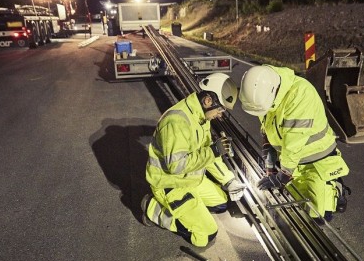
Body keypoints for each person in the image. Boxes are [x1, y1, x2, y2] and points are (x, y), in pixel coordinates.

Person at [141, 73, 247, 247]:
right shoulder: (176, 121)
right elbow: (175, 166)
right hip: (171, 184)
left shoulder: (201, 118)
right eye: (220, 109)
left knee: (222, 202)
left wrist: (229, 181)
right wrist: (213, 150)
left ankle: (190, 207)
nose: (220, 115)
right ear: (207, 101)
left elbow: (208, 155)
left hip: (191, 179)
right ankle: (153, 207)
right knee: (205, 236)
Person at [239, 65, 350, 223]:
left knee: (318, 216)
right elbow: (267, 126)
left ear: (273, 92)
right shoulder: (264, 93)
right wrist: (268, 153)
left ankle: (336, 188)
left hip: (317, 162)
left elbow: (294, 143)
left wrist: (283, 175)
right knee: (296, 208)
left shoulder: (300, 94)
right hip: (291, 162)